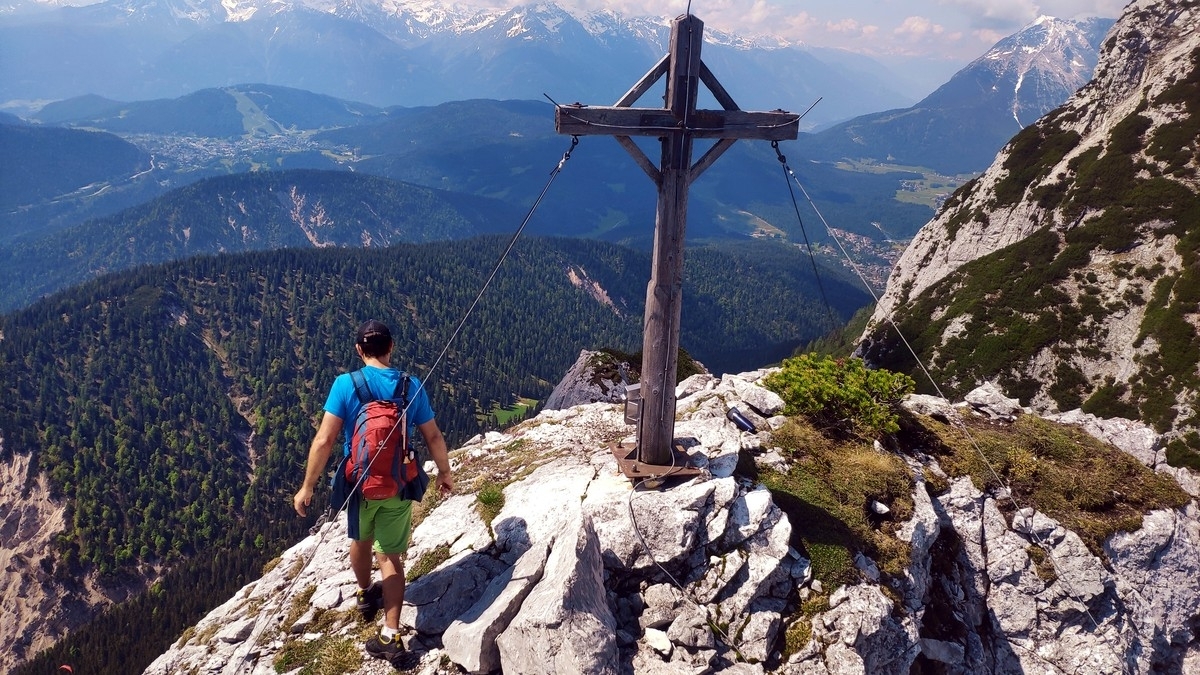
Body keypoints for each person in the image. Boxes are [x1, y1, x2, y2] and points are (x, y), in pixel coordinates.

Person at [293, 319, 454, 666]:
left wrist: (307, 487)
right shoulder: (411, 385)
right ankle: (391, 634)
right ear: (391, 347)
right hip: (397, 484)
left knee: (360, 542)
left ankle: (365, 593)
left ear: (359, 351)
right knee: (391, 558)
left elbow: (324, 440)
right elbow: (435, 437)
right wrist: (444, 473)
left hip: (359, 485)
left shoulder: (345, 385)